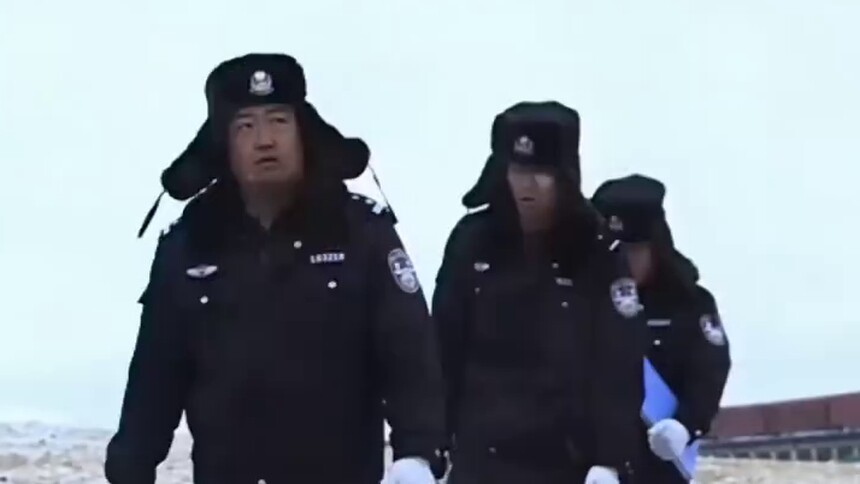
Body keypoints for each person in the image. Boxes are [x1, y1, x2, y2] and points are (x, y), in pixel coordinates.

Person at [106, 53, 447, 484]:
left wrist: (418, 454)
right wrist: (131, 466)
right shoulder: (189, 243)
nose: (265, 140)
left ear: (303, 131)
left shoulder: (361, 233)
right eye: (245, 126)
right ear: (223, 144)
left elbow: (410, 356)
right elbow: (156, 373)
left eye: (279, 121)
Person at [432, 101, 646, 484]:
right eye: (518, 170)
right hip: (482, 460)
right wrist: (427, 446)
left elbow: (618, 366)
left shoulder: (598, 252)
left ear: (565, 176)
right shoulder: (472, 241)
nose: (526, 185)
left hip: (565, 464)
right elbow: (442, 350)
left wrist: (611, 459)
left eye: (541, 173)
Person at [591, 174, 732, 483]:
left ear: (657, 246)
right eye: (615, 252)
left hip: (662, 466)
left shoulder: (691, 303)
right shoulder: (583, 302)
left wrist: (686, 425)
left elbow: (710, 369)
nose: (623, 263)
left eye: (633, 252)